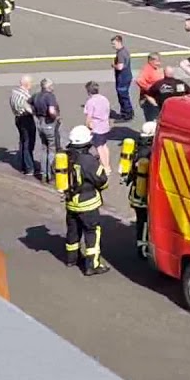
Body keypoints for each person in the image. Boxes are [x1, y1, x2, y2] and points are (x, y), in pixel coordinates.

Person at [60, 125, 111, 276]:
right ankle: (92, 265)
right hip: (87, 204)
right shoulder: (88, 160)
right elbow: (102, 180)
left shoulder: (65, 157)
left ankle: (72, 259)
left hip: (71, 202)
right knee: (92, 232)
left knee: (73, 231)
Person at [124, 120, 157, 259]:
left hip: (136, 191)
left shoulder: (136, 147)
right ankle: (143, 248)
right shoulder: (150, 152)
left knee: (141, 221)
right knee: (144, 222)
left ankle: (142, 245)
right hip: (144, 194)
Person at [31, 78, 61, 185]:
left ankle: (43, 174)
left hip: (40, 123)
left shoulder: (36, 96)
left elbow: (27, 103)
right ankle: (50, 174)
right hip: (49, 124)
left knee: (44, 148)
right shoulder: (50, 96)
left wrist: (34, 113)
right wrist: (56, 117)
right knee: (52, 149)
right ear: (48, 87)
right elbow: (51, 111)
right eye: (52, 85)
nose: (53, 87)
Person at [10, 75, 37, 177]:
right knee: (28, 144)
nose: (32, 85)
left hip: (18, 118)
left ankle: (23, 165)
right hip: (26, 119)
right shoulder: (25, 96)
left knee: (22, 142)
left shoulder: (14, 93)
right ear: (27, 84)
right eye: (31, 83)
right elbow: (30, 110)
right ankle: (29, 167)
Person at [82, 81, 112, 173]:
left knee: (99, 147)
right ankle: (108, 164)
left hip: (97, 127)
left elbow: (89, 116)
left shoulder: (90, 102)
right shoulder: (104, 99)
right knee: (104, 145)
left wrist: (87, 126)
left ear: (88, 91)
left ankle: (105, 167)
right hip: (105, 126)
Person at [111, 35, 134, 122]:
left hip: (122, 78)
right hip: (126, 77)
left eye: (114, 44)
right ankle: (128, 112)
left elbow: (120, 67)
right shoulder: (125, 51)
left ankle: (126, 114)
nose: (113, 46)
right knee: (125, 96)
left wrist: (114, 65)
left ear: (119, 42)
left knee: (123, 96)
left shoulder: (120, 53)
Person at [136, 52, 163, 122]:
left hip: (157, 98)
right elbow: (139, 80)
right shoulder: (147, 70)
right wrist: (151, 89)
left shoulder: (155, 68)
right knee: (152, 120)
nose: (159, 63)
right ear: (151, 61)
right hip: (148, 101)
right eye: (157, 61)